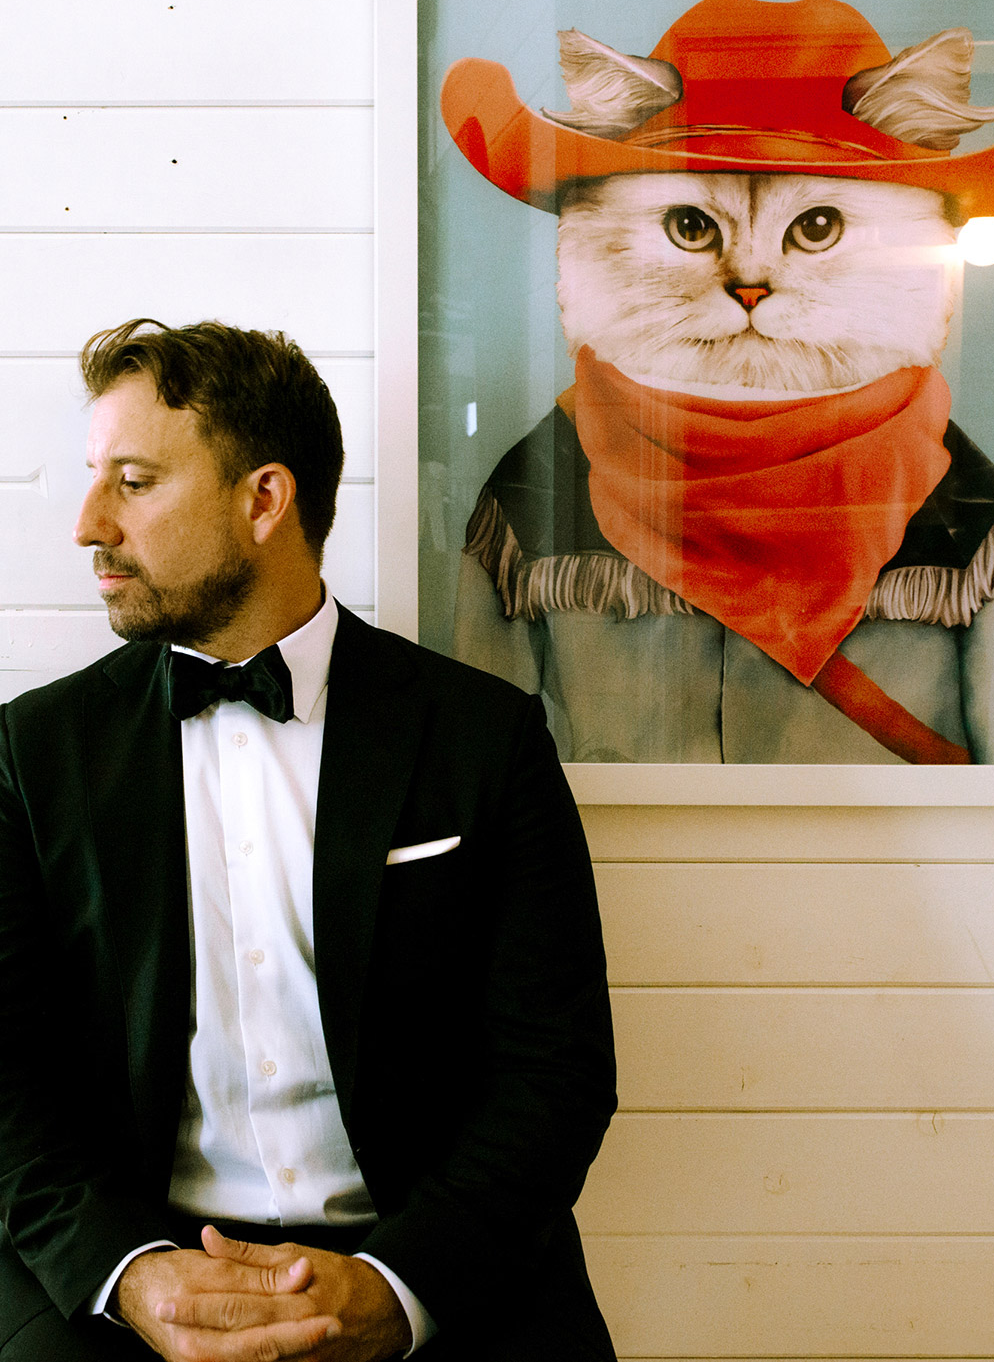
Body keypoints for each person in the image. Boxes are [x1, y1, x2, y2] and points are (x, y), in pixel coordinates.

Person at [0, 319, 617, 1361]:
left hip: (434, 1261)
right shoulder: (33, 749)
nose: (87, 524)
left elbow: (556, 1071)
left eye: (135, 482)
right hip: (127, 1269)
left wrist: (399, 1287)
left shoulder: (481, 735)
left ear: (263, 500)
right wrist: (130, 1274)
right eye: (94, 478)